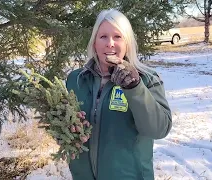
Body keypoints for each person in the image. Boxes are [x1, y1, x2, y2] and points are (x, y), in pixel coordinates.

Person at [65, 9, 172, 180]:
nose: (110, 43)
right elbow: (65, 125)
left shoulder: (147, 79)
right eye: (103, 37)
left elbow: (158, 130)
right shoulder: (76, 80)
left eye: (117, 37)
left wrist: (135, 88)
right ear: (94, 43)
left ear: (127, 43)